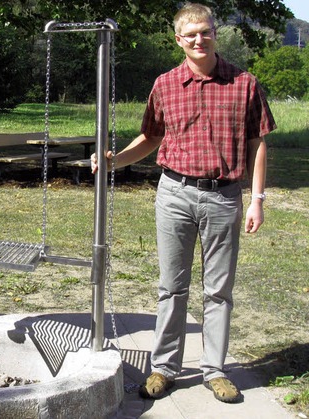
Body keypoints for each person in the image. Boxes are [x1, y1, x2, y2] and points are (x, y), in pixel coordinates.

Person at [91, 2, 275, 403]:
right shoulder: (165, 84)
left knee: (219, 289)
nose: (198, 39)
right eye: (190, 34)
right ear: (178, 40)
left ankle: (215, 370)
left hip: (224, 196)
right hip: (173, 194)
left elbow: (258, 143)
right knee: (171, 287)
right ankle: (165, 367)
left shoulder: (245, 83)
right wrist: (113, 162)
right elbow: (151, 138)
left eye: (205, 31)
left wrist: (256, 199)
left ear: (214, 33)